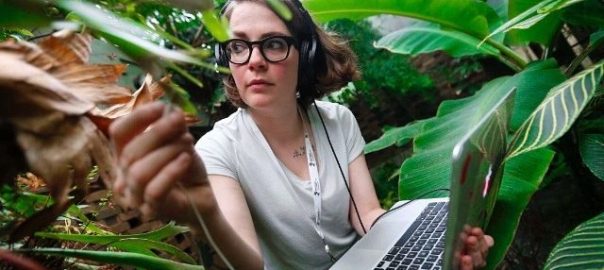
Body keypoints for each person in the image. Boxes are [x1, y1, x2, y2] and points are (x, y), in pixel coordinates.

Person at [108, 0, 494, 269]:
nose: (254, 60)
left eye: (273, 43)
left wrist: (437, 244)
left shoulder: (338, 120)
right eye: (238, 46)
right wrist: (204, 215)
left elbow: (368, 216)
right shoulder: (218, 148)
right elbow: (250, 263)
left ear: (305, 54)